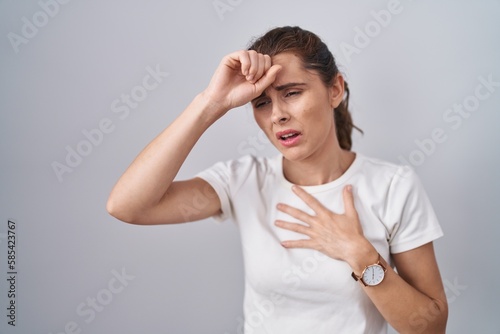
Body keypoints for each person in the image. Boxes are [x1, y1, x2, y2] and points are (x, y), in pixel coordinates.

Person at [107, 26, 448, 333]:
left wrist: (359, 254)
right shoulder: (243, 180)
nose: (277, 115)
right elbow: (128, 206)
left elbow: (430, 327)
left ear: (335, 90)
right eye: (261, 102)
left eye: (292, 93)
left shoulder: (393, 186)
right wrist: (210, 103)